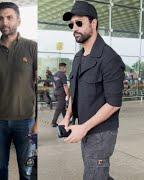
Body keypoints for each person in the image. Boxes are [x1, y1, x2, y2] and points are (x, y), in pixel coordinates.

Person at [59, 1, 125, 180]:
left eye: (79, 23)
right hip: (84, 128)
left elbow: (113, 104)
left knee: (94, 173)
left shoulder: (110, 59)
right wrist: (67, 117)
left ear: (93, 23)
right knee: (96, 172)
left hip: (102, 132)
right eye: (71, 24)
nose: (74, 28)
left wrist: (83, 128)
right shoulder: (78, 57)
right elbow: (74, 91)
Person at [0, 2, 38, 180]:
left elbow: (37, 85)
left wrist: (37, 122)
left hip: (26, 122)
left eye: (9, 17)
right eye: (1, 18)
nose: (4, 22)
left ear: (18, 20)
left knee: (28, 171)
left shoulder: (32, 47)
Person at [51, 63, 68, 127]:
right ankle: (53, 122)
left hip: (56, 92)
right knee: (58, 108)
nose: (66, 69)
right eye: (65, 68)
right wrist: (68, 95)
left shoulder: (55, 74)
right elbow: (65, 86)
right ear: (63, 68)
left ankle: (66, 120)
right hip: (61, 94)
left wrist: (56, 90)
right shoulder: (63, 75)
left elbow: (53, 84)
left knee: (63, 108)